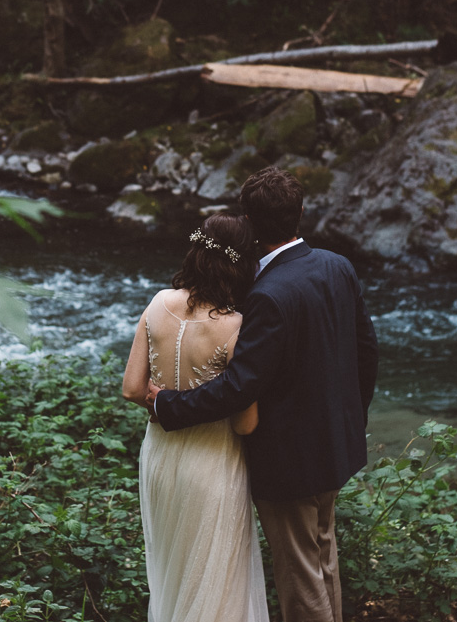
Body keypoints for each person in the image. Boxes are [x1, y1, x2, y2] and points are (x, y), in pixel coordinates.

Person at [146, 167, 379, 622]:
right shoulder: (337, 266)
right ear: (301, 212)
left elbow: (240, 386)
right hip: (336, 444)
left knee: (300, 574)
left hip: (290, 460)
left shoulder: (267, 295)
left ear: (248, 221)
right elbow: (366, 351)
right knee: (323, 557)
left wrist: (166, 404)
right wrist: (353, 417)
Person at [122, 213, 271, 622]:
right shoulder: (235, 326)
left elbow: (132, 389)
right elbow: (244, 424)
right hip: (212, 467)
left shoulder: (156, 303)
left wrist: (164, 402)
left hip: (158, 459)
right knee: (215, 583)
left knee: (171, 573)